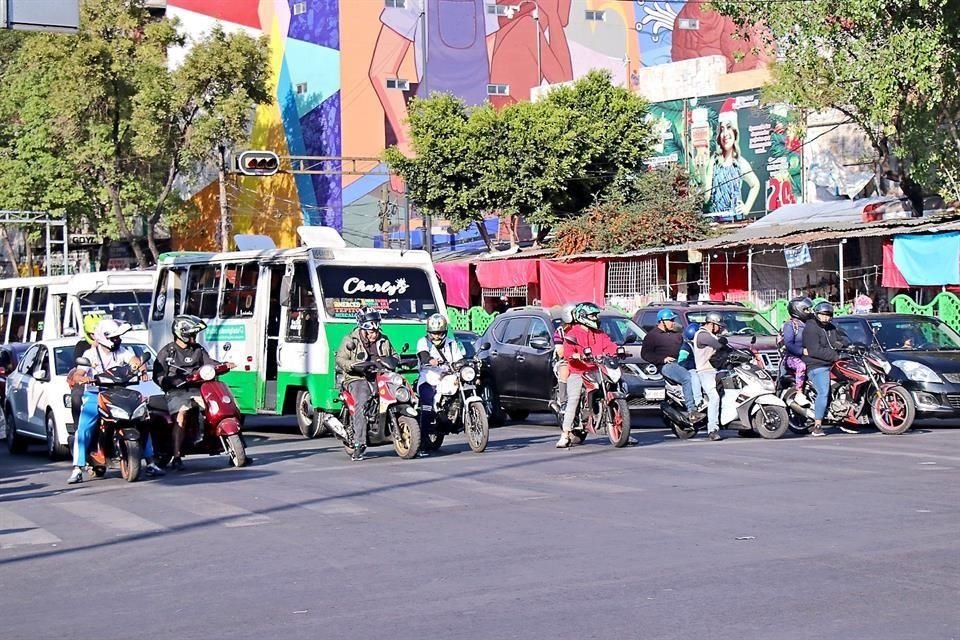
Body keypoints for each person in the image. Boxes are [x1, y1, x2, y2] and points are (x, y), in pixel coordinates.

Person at [68, 319, 163, 483]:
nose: (117, 340)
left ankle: (151, 463)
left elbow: (134, 362)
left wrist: (140, 368)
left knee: (142, 421)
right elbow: (78, 372)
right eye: (114, 338)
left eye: (118, 337)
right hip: (96, 394)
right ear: (104, 338)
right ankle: (77, 468)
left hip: (122, 393)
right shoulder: (90, 354)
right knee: (83, 428)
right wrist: (82, 378)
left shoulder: (124, 351)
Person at [153, 315, 231, 470]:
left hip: (199, 389)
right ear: (181, 333)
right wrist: (170, 381)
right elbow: (158, 375)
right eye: (191, 334)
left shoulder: (198, 349)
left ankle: (220, 443)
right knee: (182, 414)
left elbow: (210, 363)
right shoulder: (168, 351)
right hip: (178, 392)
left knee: (219, 406)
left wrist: (224, 365)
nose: (194, 337)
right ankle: (176, 456)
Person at [335, 308, 398, 461]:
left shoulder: (384, 339)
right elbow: (340, 359)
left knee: (401, 393)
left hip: (380, 375)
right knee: (362, 401)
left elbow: (394, 355)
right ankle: (359, 443)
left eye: (376, 329)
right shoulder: (350, 340)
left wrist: (395, 361)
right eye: (370, 330)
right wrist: (354, 365)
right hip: (357, 377)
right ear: (362, 328)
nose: (374, 334)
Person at [557, 302, 618, 448]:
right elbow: (568, 352)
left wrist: (617, 351)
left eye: (596, 315)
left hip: (597, 369)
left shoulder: (599, 333)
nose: (595, 318)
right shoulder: (572, 334)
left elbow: (610, 345)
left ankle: (622, 431)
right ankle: (565, 434)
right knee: (574, 398)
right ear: (582, 316)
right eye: (592, 315)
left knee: (615, 387)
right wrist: (575, 355)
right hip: (578, 371)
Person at [640, 309, 703, 422]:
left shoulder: (677, 335)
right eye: (670, 320)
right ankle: (692, 411)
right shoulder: (652, 336)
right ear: (661, 321)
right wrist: (663, 359)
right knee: (686, 377)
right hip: (666, 366)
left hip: (681, 363)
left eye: (673, 320)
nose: (673, 322)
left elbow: (684, 349)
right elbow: (645, 354)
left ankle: (701, 403)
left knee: (697, 374)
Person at [416, 313, 465, 456]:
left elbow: (459, 358)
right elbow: (423, 355)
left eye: (439, 333)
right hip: (428, 379)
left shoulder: (452, 343)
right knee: (426, 407)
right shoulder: (423, 342)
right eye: (433, 333)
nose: (436, 336)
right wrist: (430, 360)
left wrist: (463, 363)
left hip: (447, 378)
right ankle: (423, 442)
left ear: (444, 332)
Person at [802, 302, 849, 436]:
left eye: (828, 315)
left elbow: (843, 338)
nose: (825, 318)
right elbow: (814, 350)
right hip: (817, 365)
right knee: (823, 391)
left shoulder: (831, 327)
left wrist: (844, 345)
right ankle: (817, 425)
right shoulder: (811, 328)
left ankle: (845, 418)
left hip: (832, 363)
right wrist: (835, 355)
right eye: (823, 315)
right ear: (817, 314)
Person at [692, 312, 727, 441]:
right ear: (712, 324)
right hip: (705, 371)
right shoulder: (702, 335)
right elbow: (718, 345)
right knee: (714, 397)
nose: (720, 328)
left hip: (715, 370)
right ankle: (712, 428)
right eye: (718, 326)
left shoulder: (711, 335)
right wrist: (723, 341)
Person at [68, 312, 105, 426]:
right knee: (76, 397)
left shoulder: (111, 346)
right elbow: (78, 369)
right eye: (94, 334)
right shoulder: (83, 347)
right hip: (89, 385)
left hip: (110, 383)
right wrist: (85, 378)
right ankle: (78, 426)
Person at [781, 297, 812, 400]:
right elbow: (788, 344)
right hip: (791, 357)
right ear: (797, 309)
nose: (809, 312)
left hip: (808, 355)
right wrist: (802, 351)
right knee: (801, 366)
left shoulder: (809, 323)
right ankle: (799, 393)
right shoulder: (790, 325)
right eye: (806, 309)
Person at [551, 304, 575, 414]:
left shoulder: (586, 329)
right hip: (566, 360)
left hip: (586, 361)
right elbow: (561, 352)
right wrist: (574, 355)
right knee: (564, 370)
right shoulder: (560, 332)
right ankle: (564, 402)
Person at [677, 322, 704, 409]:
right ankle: (698, 401)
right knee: (695, 377)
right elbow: (681, 361)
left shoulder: (700, 345)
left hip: (700, 367)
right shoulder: (686, 346)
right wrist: (693, 366)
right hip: (690, 368)